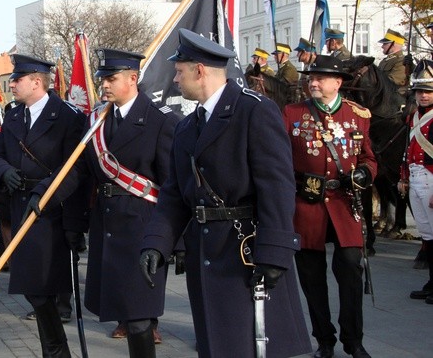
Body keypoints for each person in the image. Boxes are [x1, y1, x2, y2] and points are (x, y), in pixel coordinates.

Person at [140, 29, 311, 358]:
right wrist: (156, 243)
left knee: (248, 344)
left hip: (246, 250)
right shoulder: (188, 126)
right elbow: (174, 195)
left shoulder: (254, 111)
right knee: (216, 345)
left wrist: (275, 252)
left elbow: (277, 186)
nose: (175, 79)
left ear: (199, 70)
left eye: (179, 71)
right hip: (206, 249)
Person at [0, 54, 86, 358]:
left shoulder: (68, 116)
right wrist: (4, 171)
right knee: (32, 288)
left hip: (51, 213)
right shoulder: (15, 116)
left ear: (37, 81)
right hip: (20, 208)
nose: (12, 84)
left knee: (43, 289)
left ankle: (55, 351)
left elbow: (76, 170)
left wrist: (73, 224)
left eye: (17, 79)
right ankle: (55, 350)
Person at [83, 48, 178, 355]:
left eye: (111, 78)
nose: (104, 85)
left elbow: (172, 187)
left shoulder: (161, 121)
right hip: (106, 224)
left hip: (142, 228)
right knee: (123, 314)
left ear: (133, 78)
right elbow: (79, 173)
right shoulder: (97, 120)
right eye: (102, 79)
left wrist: (177, 243)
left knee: (139, 320)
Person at [283, 55, 377, 358]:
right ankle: (324, 339)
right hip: (307, 203)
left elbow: (368, 158)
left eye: (321, 77)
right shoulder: (292, 113)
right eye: (311, 77)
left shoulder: (357, 115)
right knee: (312, 277)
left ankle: (354, 339)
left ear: (337, 83)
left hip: (344, 203)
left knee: (351, 269)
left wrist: (365, 172)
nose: (313, 82)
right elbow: (280, 159)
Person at [399, 59, 433, 303]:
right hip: (415, 178)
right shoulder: (414, 118)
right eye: (420, 91)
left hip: (431, 180)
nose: (422, 96)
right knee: (427, 234)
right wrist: (404, 177)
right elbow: (407, 149)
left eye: (428, 91)